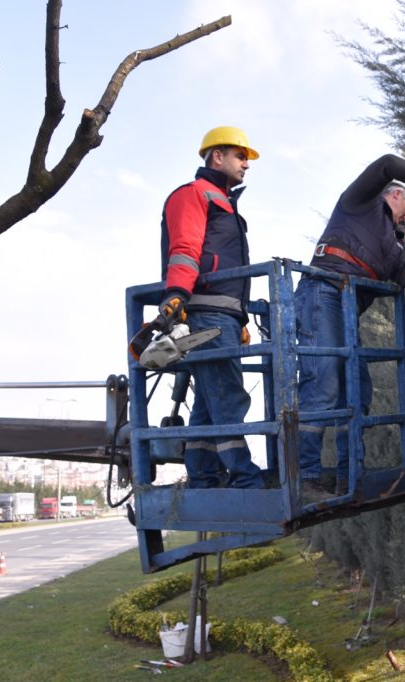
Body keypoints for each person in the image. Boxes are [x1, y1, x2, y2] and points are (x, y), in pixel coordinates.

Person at [296, 153, 405, 501]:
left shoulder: (392, 247)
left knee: (358, 391)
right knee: (324, 384)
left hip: (346, 310)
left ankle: (349, 477)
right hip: (322, 292)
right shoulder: (360, 202)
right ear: (396, 195)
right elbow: (387, 163)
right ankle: (304, 477)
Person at [158, 126, 264, 489]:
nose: (246, 164)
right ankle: (245, 477)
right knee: (228, 397)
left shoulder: (224, 203)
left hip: (223, 314)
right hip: (207, 312)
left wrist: (240, 317)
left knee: (208, 400)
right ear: (217, 156)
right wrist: (176, 294)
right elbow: (185, 249)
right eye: (241, 156)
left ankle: (204, 476)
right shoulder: (193, 194)